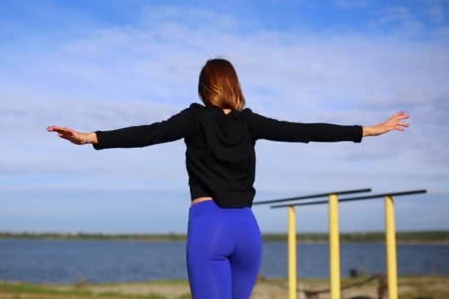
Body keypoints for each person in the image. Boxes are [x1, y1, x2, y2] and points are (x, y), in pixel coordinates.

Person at [46, 58, 410, 299]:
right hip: (247, 231)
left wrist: (91, 137)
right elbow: (304, 130)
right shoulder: (250, 122)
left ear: (205, 88)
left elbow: (149, 133)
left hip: (210, 229)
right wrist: (369, 130)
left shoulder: (195, 118)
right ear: (233, 85)